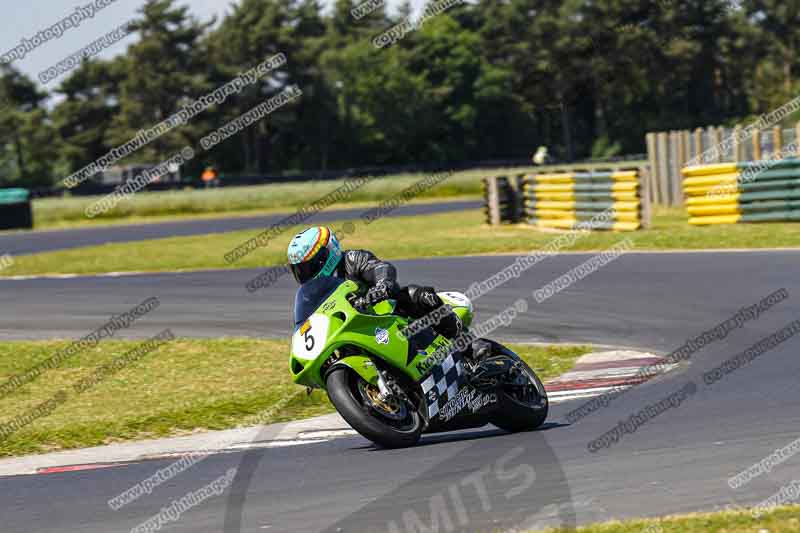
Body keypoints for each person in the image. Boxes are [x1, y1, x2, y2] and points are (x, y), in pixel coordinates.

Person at [286, 226, 491, 360]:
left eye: (309, 266)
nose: (305, 274)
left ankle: (469, 344)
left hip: (391, 316)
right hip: (358, 332)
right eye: (299, 270)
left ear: (327, 254)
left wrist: (382, 286)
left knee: (416, 295)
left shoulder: (352, 259)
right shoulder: (309, 293)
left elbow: (380, 268)